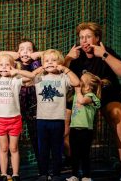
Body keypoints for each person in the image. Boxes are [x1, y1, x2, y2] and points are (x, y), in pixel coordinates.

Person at [65, 22, 121, 181]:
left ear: (97, 38)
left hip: (107, 94)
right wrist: (67, 58)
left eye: (88, 37)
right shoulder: (76, 54)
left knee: (119, 118)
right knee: (64, 124)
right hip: (82, 96)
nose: (84, 41)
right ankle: (75, 165)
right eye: (81, 37)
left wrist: (104, 54)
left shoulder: (105, 51)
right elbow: (59, 74)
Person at [0, 54, 35, 181]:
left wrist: (17, 71)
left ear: (12, 67)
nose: (4, 67)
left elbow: (32, 76)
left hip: (14, 119)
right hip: (1, 119)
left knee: (13, 148)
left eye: (7, 65)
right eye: (1, 65)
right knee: (3, 148)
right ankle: (4, 174)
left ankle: (15, 174)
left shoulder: (16, 80)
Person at [33, 49, 80, 181]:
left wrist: (65, 69)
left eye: (53, 60)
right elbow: (27, 79)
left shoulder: (63, 77)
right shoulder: (39, 78)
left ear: (60, 62)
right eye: (47, 61)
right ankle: (43, 173)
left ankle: (56, 174)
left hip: (58, 119)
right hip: (42, 119)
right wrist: (40, 68)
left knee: (56, 149)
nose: (50, 63)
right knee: (43, 148)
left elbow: (77, 83)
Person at [0, 39, 43, 164]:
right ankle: (9, 165)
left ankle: (41, 164)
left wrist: (37, 55)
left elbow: (51, 54)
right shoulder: (14, 63)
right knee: (11, 138)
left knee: (35, 134)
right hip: (15, 105)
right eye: (22, 49)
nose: (25, 52)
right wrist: (16, 54)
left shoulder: (37, 63)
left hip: (33, 104)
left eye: (29, 49)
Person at [66, 72, 104, 181]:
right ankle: (74, 175)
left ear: (87, 86)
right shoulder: (76, 96)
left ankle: (87, 176)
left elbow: (82, 101)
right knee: (74, 154)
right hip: (74, 129)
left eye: (81, 81)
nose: (79, 83)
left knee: (84, 154)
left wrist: (78, 91)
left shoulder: (91, 96)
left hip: (86, 131)